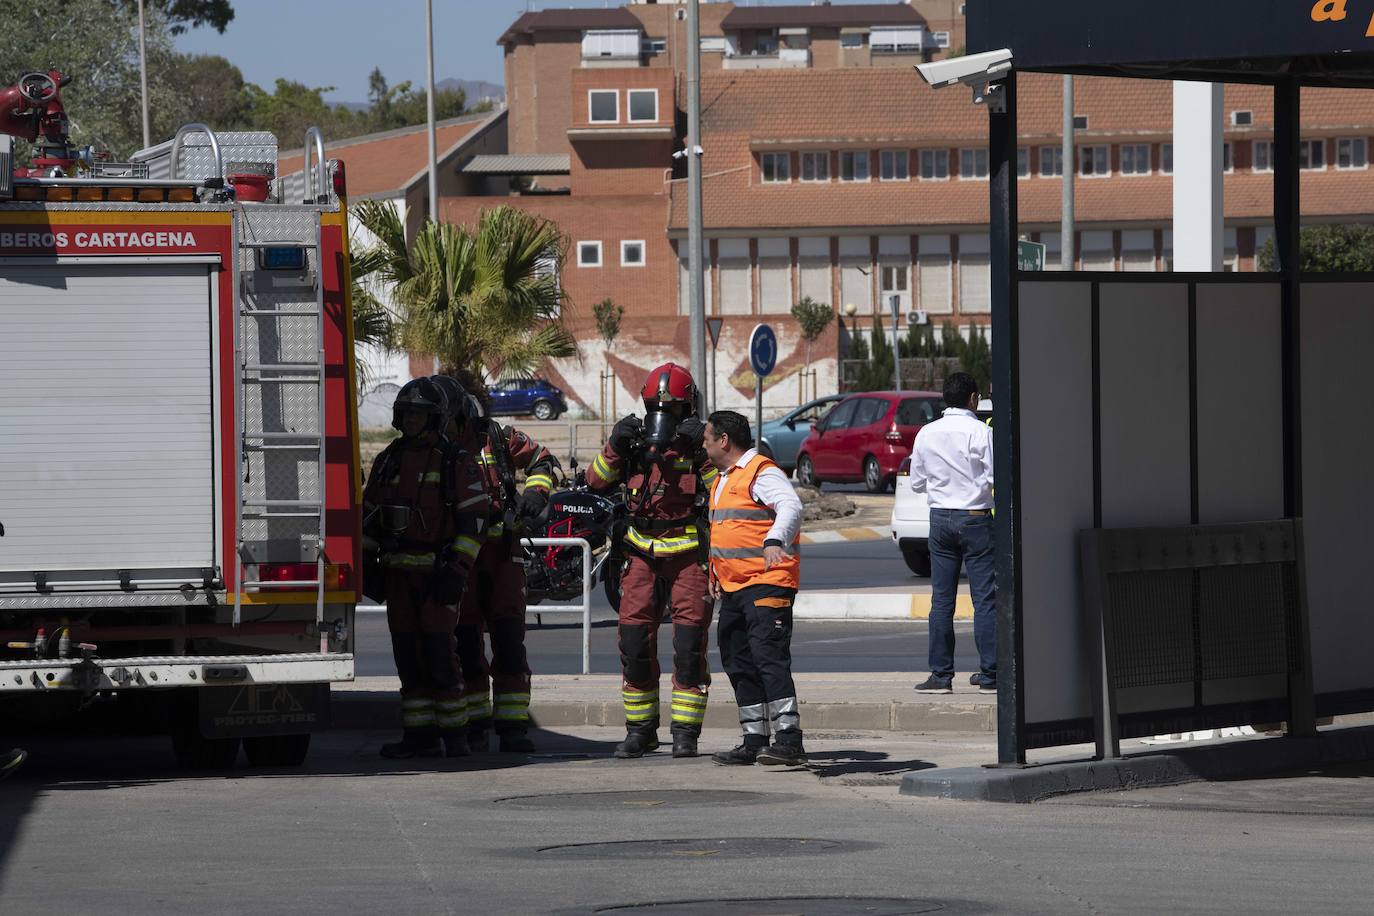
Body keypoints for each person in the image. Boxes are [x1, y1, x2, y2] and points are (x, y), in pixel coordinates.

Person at [587, 363, 717, 759]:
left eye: (675, 408)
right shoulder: (633, 442)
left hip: (687, 555)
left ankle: (685, 734)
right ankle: (640, 731)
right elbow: (595, 482)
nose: (667, 415)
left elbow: (725, 489)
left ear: (688, 408)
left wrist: (702, 450)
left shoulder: (699, 445)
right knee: (633, 642)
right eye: (659, 407)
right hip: (639, 552)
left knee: (690, 645)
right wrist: (614, 445)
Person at [432, 371, 560, 754]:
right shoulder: (434, 447)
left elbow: (542, 460)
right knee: (466, 646)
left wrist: (537, 493)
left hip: (502, 555)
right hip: (460, 560)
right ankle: (475, 725)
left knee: (509, 644)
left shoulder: (497, 438)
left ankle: (513, 727)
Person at [362, 378, 490, 758]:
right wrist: (368, 566)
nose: (412, 420)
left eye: (419, 414)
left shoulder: (455, 460)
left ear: (434, 418)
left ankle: (456, 738)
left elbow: (476, 521)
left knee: (439, 656)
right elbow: (369, 517)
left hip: (439, 576)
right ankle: (419, 736)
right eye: (407, 413)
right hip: (399, 577)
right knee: (408, 658)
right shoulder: (387, 460)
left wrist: (457, 570)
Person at [701, 410, 807, 767]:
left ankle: (789, 741)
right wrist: (715, 573)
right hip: (733, 587)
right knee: (737, 659)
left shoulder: (761, 472)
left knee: (768, 659)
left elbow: (791, 505)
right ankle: (755, 739)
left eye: (707, 438)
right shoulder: (722, 479)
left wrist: (775, 538)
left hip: (767, 581)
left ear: (724, 441)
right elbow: (726, 532)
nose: (704, 444)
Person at [909, 372, 996, 695]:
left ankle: (941, 676)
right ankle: (990, 674)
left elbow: (917, 482)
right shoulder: (980, 431)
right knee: (984, 599)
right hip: (974, 518)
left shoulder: (926, 433)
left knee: (942, 600)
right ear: (974, 398)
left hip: (940, 519)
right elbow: (994, 474)